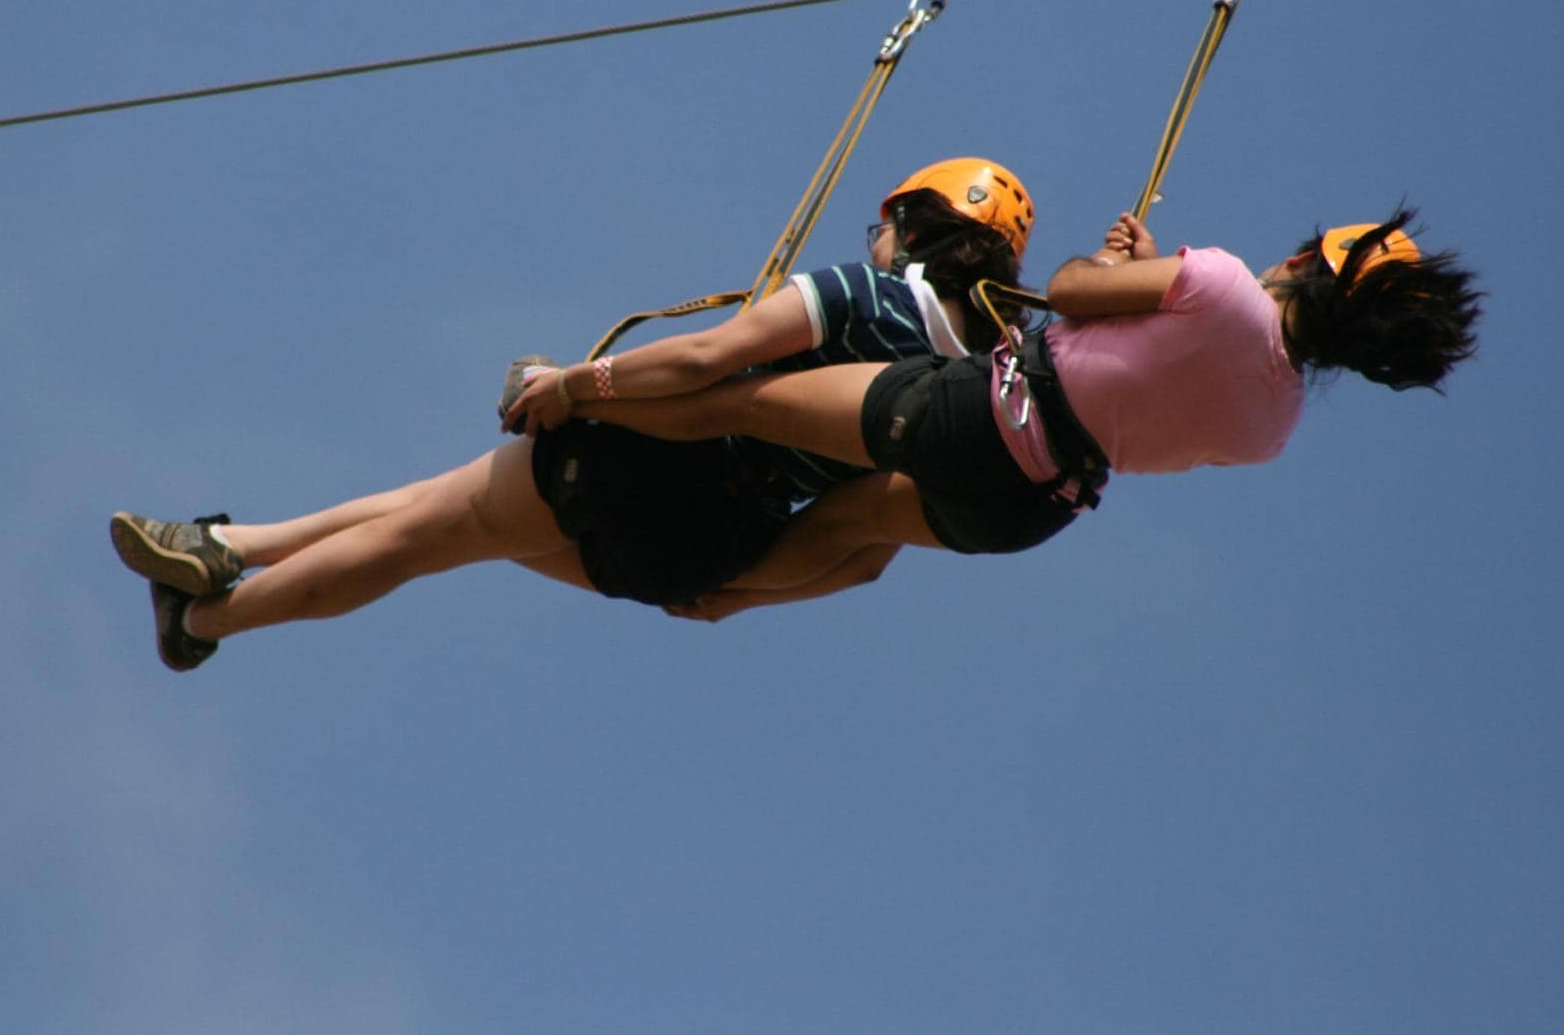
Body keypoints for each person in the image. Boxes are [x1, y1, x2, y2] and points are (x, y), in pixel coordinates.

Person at [110, 158, 1041, 670]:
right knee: (439, 519)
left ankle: (203, 618)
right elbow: (865, 554)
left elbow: (705, 358)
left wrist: (575, 384)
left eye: (886, 221)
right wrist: (733, 595)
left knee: (424, 531)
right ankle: (227, 544)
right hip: (695, 552)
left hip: (649, 464)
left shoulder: (863, 295)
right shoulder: (947, 398)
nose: (874, 237)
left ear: (920, 227)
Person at [563, 205, 1483, 621]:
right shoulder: (1271, 429)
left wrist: (1127, 269)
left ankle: (572, 396)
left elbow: (1073, 293)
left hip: (978, 414)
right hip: (1026, 508)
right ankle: (719, 599)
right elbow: (1150, 406)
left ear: (1308, 267)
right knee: (855, 533)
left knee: (748, 402)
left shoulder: (1226, 284)